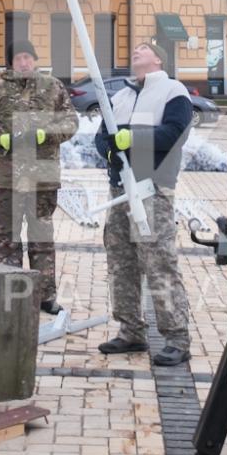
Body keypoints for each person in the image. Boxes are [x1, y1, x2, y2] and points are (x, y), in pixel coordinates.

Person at [94, 40, 194, 366]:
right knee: (121, 261)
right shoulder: (120, 96)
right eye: (133, 48)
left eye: (143, 48)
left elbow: (174, 133)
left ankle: (177, 338)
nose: (135, 50)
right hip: (120, 189)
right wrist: (110, 149)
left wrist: (132, 138)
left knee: (158, 262)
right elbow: (100, 137)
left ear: (158, 58)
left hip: (152, 189)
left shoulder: (172, 91)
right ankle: (130, 330)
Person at [0, 45, 75, 316]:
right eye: (18, 58)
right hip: (8, 177)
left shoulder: (52, 87)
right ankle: (10, 295)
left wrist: (48, 133)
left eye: (28, 56)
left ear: (35, 59)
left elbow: (70, 122)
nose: (23, 62)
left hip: (43, 178)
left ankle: (45, 296)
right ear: (11, 63)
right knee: (8, 238)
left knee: (42, 238)